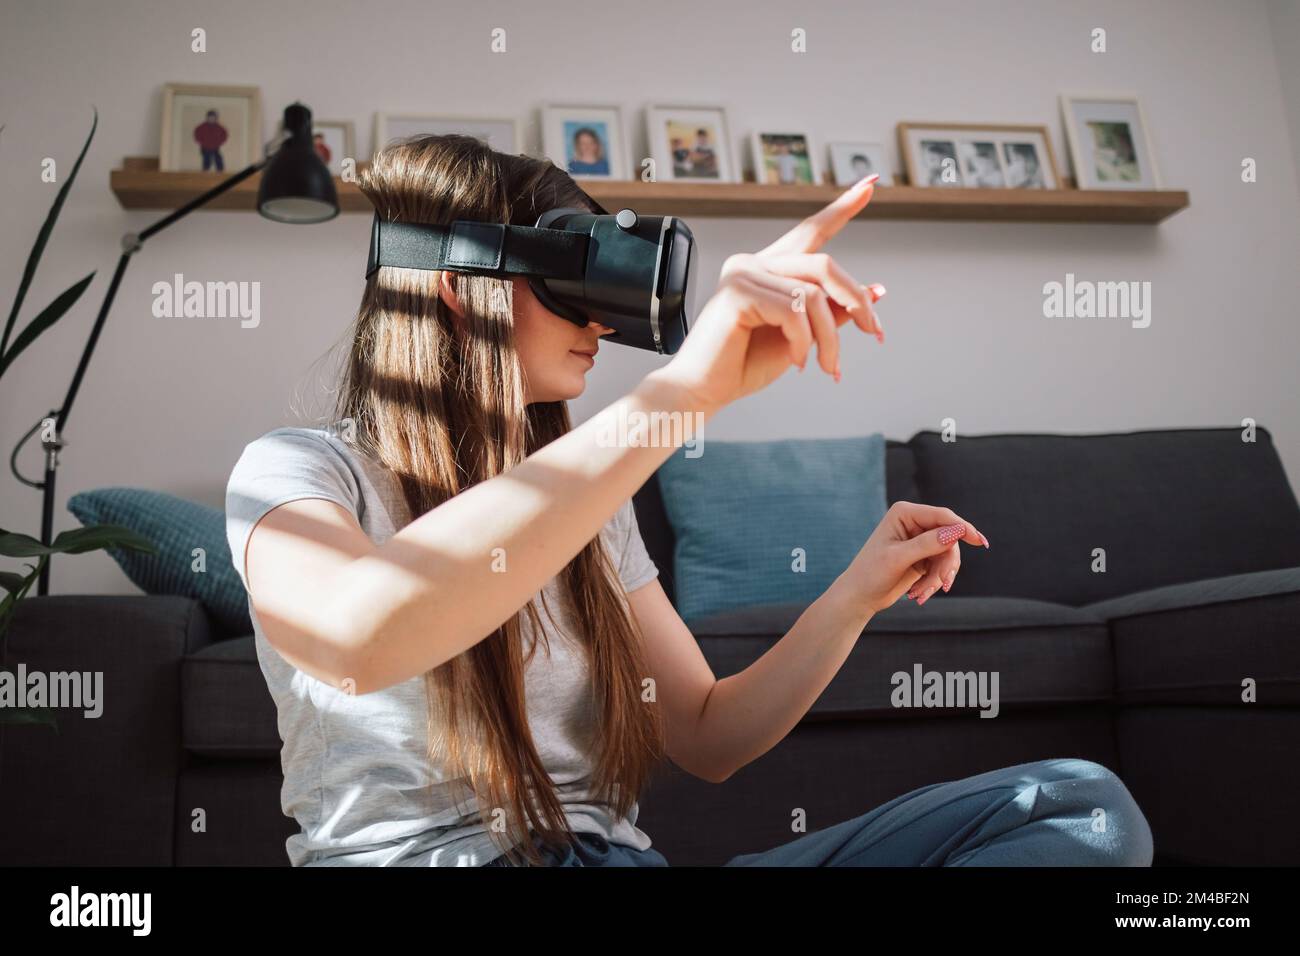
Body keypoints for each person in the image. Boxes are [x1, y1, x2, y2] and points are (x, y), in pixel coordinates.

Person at [225, 133, 1154, 867]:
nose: (599, 320)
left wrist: (854, 594)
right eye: (574, 281)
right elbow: (361, 635)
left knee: (1083, 810)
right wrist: (679, 398)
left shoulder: (596, 504)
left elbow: (709, 734)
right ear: (461, 291)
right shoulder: (301, 474)